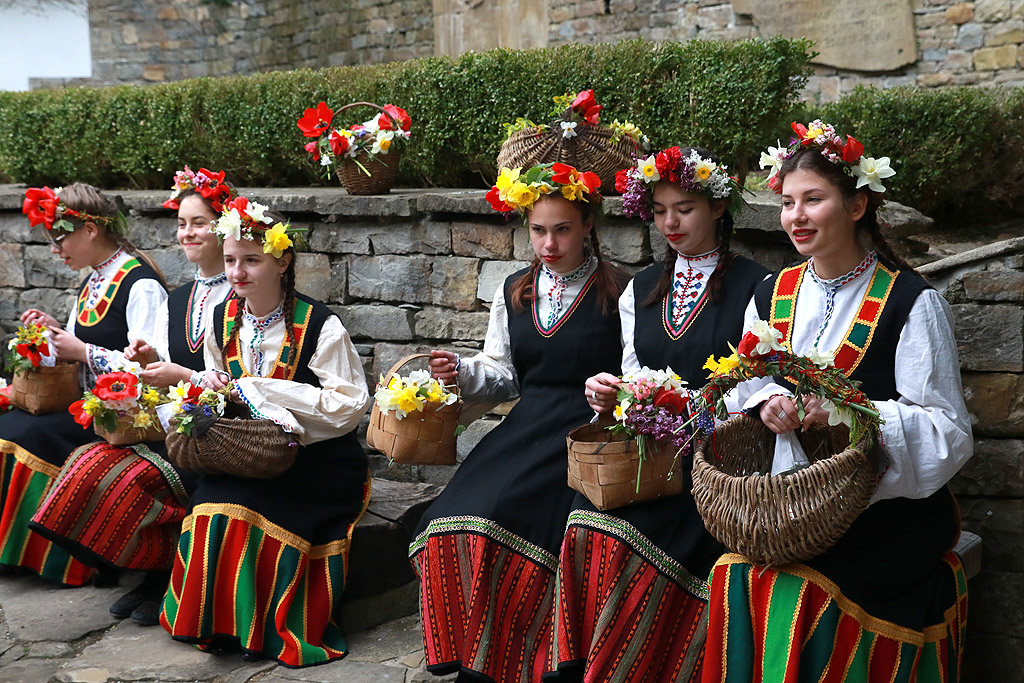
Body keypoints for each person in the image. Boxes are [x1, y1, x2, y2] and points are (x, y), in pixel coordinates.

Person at [701, 121, 972, 682]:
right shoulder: (771, 293)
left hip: (887, 507)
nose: (796, 216)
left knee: (794, 587)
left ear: (856, 205)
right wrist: (767, 407)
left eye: (814, 200)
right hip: (791, 503)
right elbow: (745, 388)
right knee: (733, 573)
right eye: (788, 202)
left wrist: (846, 416)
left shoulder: (910, 302)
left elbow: (948, 430)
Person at [547, 147, 768, 682]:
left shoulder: (759, 286)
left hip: (720, 465)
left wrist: (688, 406)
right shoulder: (640, 288)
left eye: (685, 208)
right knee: (584, 522)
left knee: (639, 542)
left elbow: (759, 387)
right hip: (649, 457)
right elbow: (629, 378)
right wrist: (611, 396)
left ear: (717, 208)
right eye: (662, 209)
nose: (671, 222)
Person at [410, 163, 627, 682]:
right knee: (450, 519)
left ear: (588, 225)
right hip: (527, 424)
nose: (548, 243)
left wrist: (615, 400)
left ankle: (529, 662)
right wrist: (460, 370)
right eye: (538, 230)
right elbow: (504, 373)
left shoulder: (620, 292)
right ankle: (477, 655)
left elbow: (636, 372)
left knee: (512, 520)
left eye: (562, 229)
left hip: (587, 433)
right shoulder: (515, 290)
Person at [159, 195, 372, 668]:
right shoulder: (223, 319)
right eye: (231, 260)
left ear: (282, 261)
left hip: (316, 458)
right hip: (246, 452)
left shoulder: (320, 324)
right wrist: (210, 388)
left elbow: (349, 405)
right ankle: (217, 623)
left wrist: (264, 391)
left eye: (252, 260)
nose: (237, 272)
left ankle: (264, 630)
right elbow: (219, 383)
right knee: (210, 509)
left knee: (253, 513)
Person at [29, 168, 236, 625]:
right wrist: (144, 358)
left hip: (222, 429)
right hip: (172, 420)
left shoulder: (238, 293)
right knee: (89, 462)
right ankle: (149, 566)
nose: (186, 232)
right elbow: (152, 367)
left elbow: (239, 375)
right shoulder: (180, 296)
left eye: (198, 223)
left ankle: (167, 574)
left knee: (124, 474)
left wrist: (161, 375)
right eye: (181, 223)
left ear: (225, 228)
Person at [0, 184, 166, 586]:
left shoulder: (139, 284)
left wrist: (83, 350)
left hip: (126, 420)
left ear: (90, 228)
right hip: (91, 405)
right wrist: (53, 334)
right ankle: (15, 549)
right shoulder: (93, 280)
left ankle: (60, 558)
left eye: (60, 239)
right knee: (9, 424)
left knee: (26, 433)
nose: (56, 250)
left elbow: (151, 366)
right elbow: (78, 348)